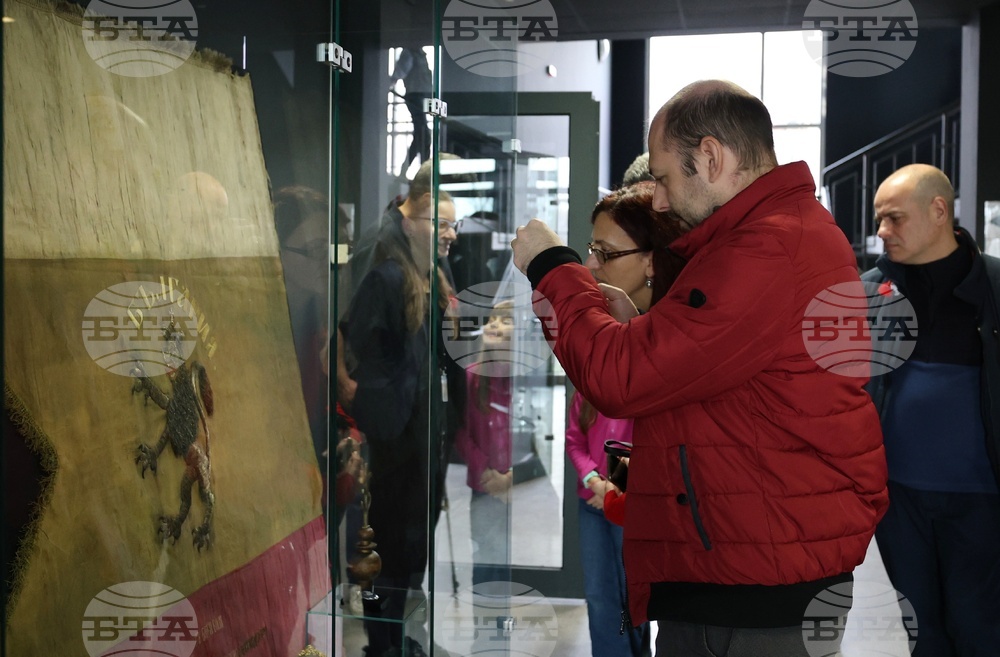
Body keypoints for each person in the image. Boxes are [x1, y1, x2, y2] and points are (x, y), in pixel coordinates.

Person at [510, 79, 889, 656]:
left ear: (711, 157)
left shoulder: (767, 249)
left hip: (754, 591)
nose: (658, 200)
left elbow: (621, 376)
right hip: (749, 565)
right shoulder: (771, 236)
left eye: (663, 179)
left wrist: (552, 267)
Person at [864, 163, 1000, 657]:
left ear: (938, 211)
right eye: (880, 219)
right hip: (898, 502)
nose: (882, 231)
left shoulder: (993, 287)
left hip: (980, 500)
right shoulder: (864, 295)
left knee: (979, 629)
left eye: (895, 218)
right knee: (921, 632)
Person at [566, 181, 683, 657]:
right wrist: (596, 481)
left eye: (606, 253)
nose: (591, 265)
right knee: (603, 602)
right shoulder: (605, 329)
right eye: (591, 251)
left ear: (652, 261)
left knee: (648, 609)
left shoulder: (678, 339)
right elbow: (579, 429)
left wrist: (616, 485)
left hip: (644, 503)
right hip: (600, 496)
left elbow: (660, 435)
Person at [342, 185, 457, 657]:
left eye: (454, 224)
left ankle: (396, 638)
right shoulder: (387, 279)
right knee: (386, 556)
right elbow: (355, 350)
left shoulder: (434, 279)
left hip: (424, 444)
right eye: (441, 223)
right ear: (410, 223)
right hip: (395, 448)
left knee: (412, 554)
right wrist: (370, 415)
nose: (450, 234)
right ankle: (381, 644)